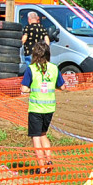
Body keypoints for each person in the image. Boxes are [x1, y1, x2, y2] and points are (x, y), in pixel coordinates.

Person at [20, 41, 66, 175]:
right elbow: (63, 87)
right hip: (49, 108)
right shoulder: (54, 68)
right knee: (43, 134)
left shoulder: (32, 68)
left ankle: (42, 167)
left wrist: (31, 90)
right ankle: (49, 160)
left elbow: (24, 88)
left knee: (35, 137)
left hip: (36, 108)